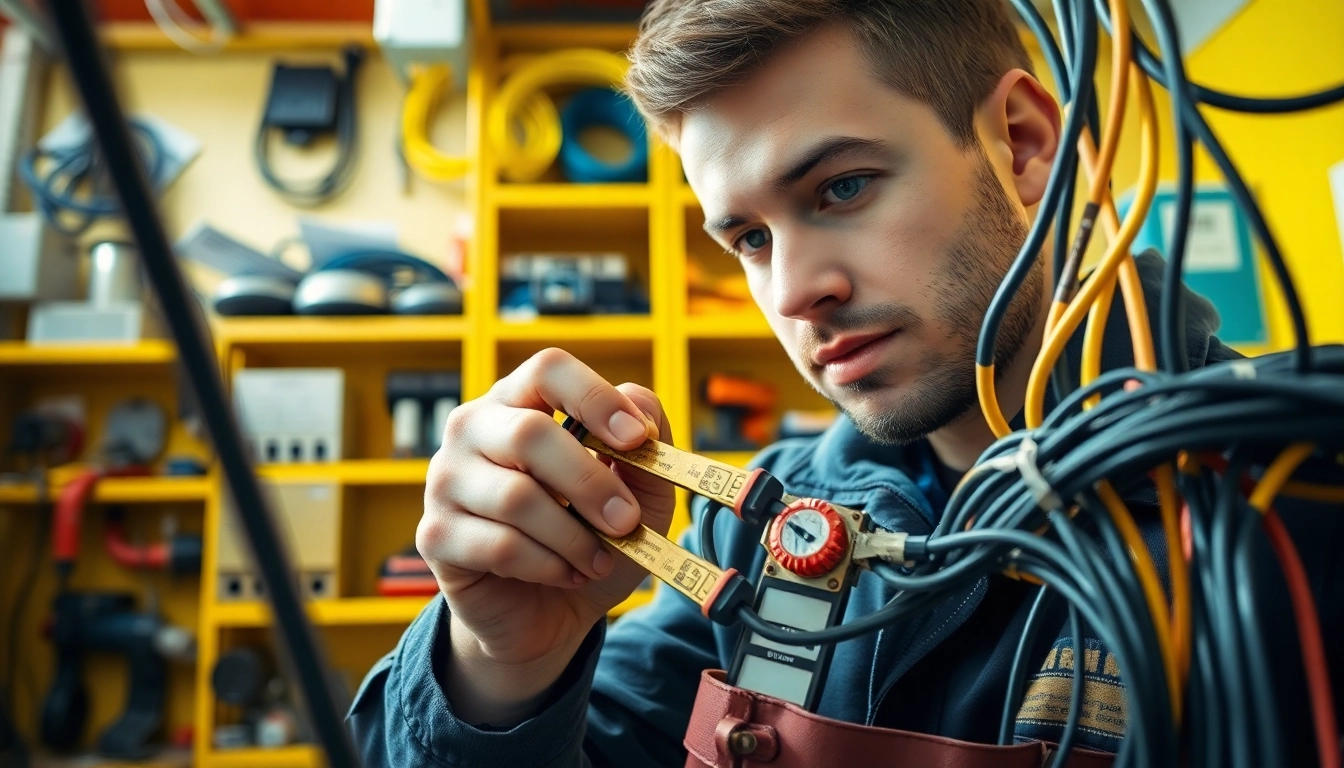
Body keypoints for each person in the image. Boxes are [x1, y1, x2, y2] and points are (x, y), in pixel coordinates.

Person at [346, 1, 1343, 765]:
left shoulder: (1300, 495)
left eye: (842, 188)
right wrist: (501, 669)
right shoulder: (767, 534)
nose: (792, 289)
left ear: (1024, 144)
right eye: (747, 238)